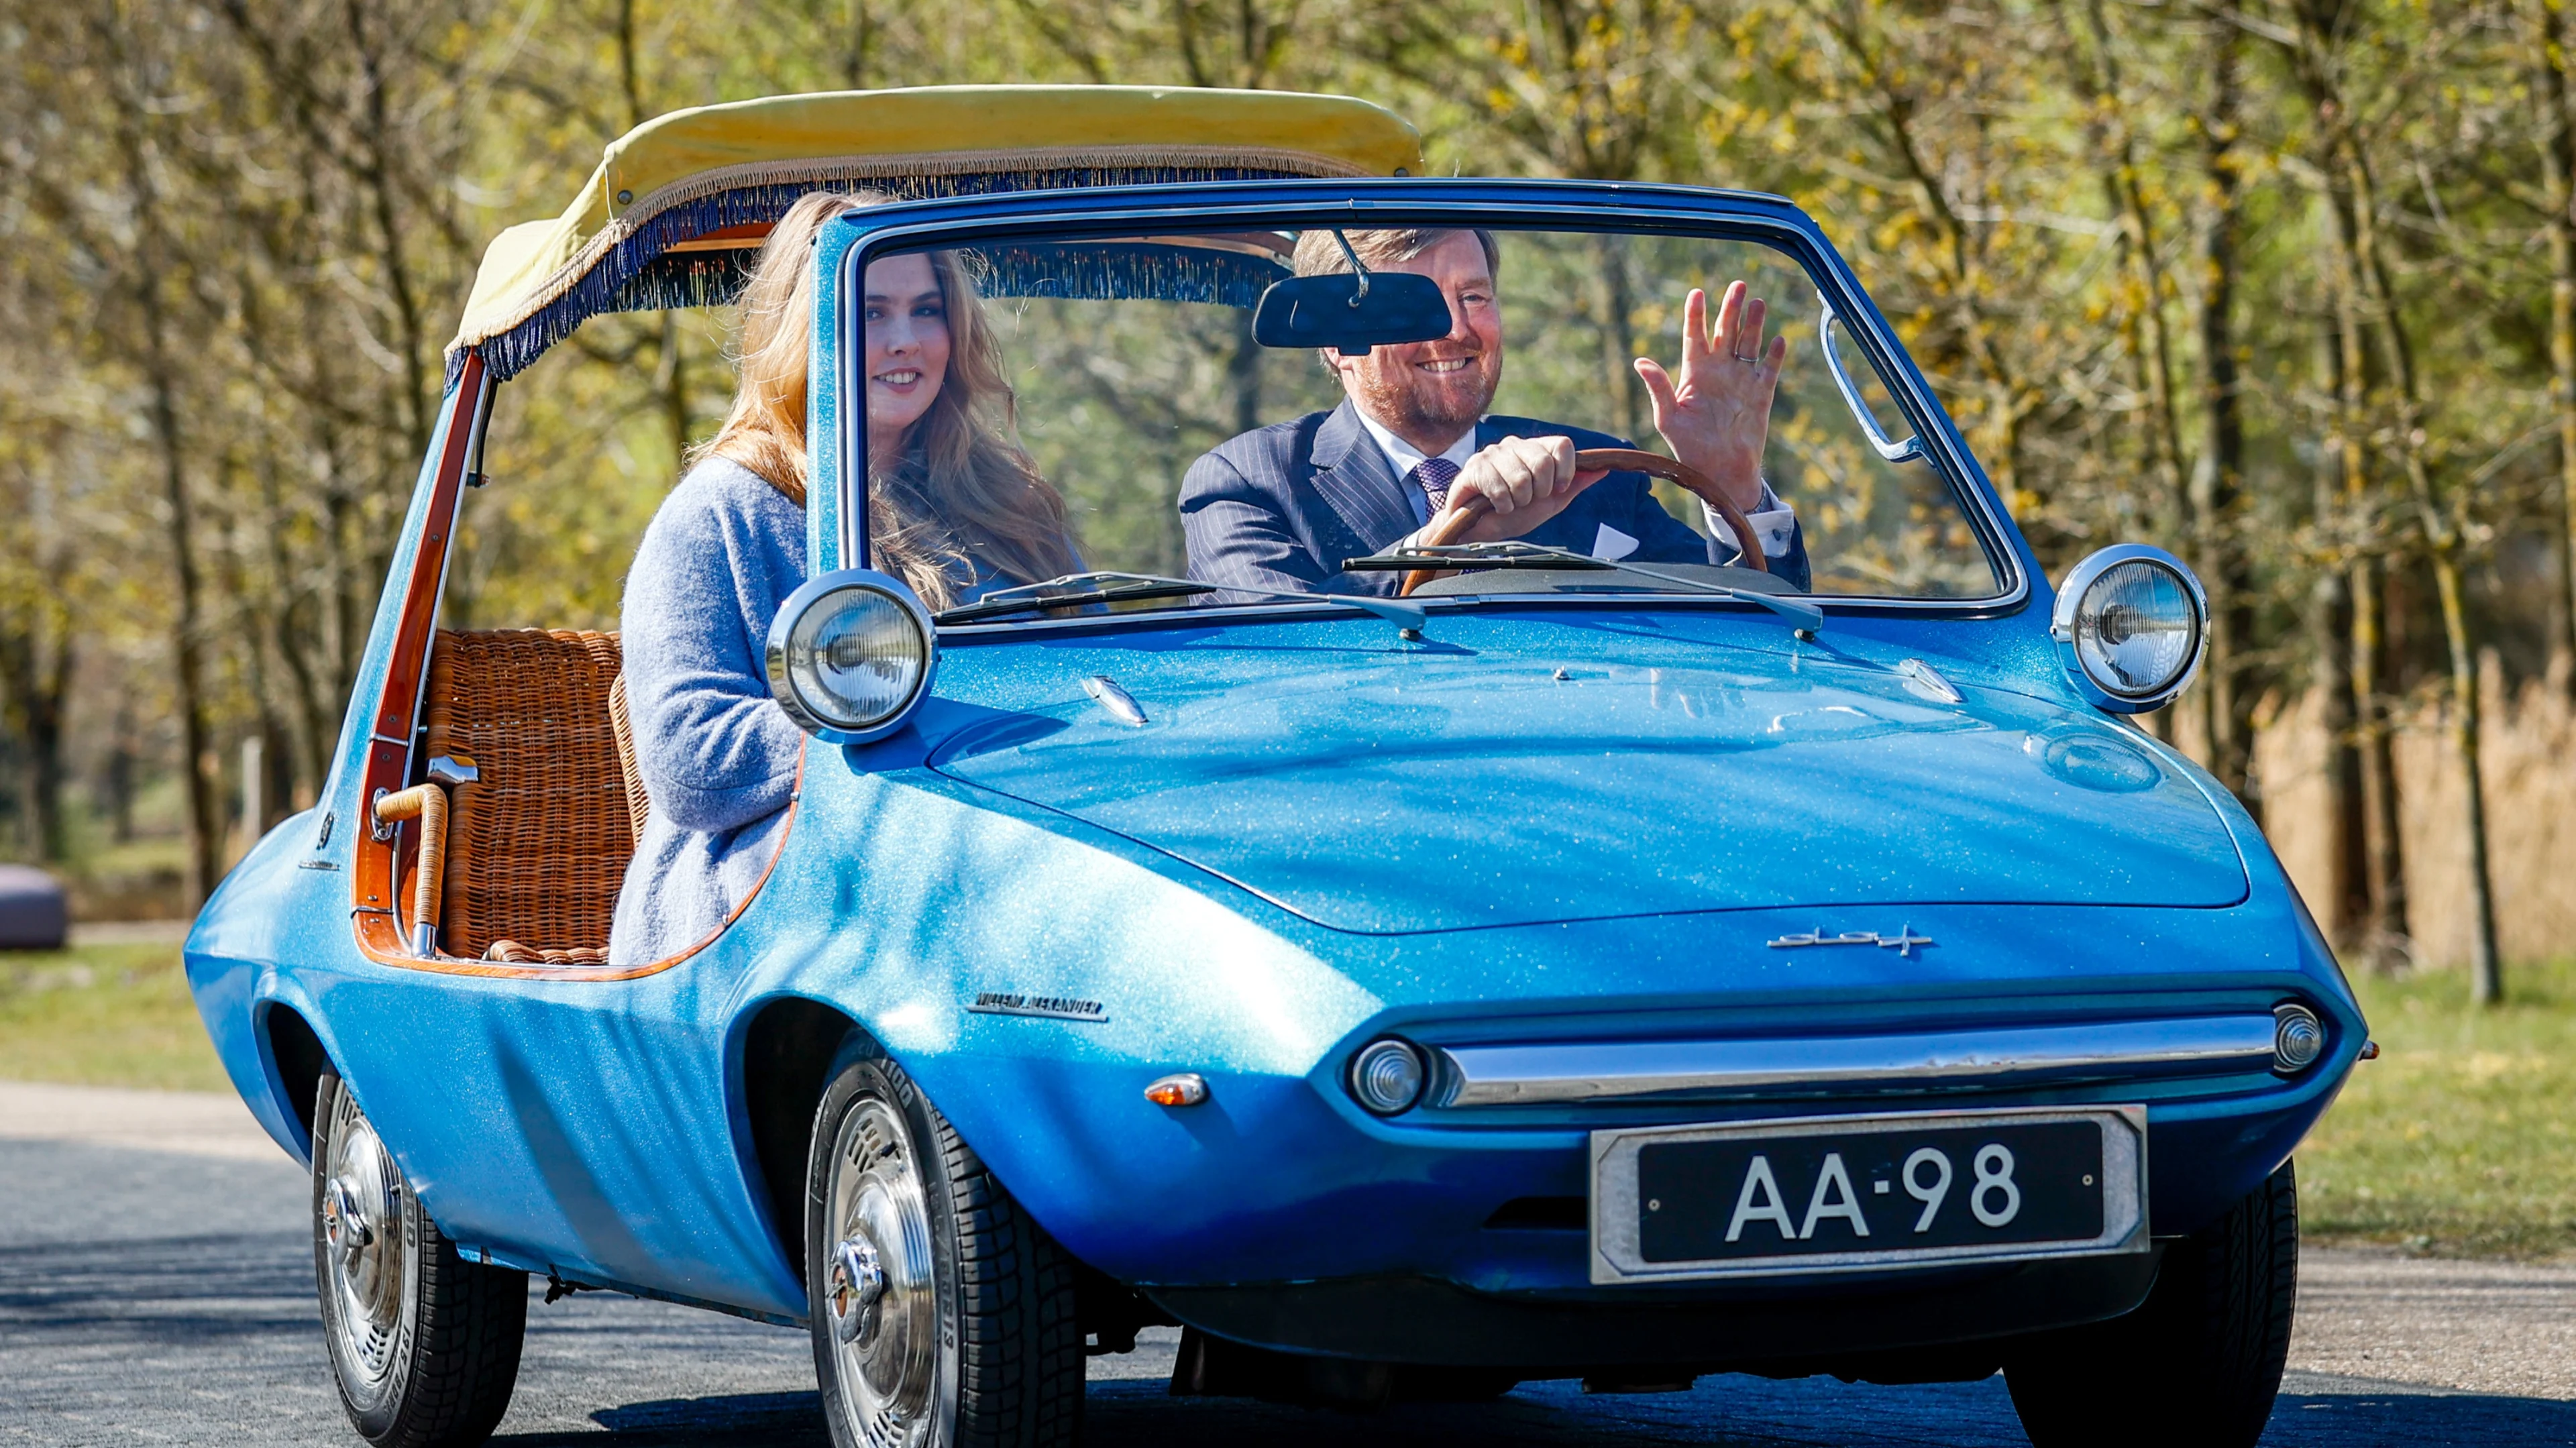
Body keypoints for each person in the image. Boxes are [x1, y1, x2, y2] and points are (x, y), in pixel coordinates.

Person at [608, 191, 1078, 964]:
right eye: (871, 312)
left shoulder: (1011, 503)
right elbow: (690, 758)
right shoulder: (719, 512)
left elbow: (1091, 668)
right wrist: (900, 711)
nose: (905, 340)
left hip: (1011, 848)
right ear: (804, 329)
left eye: (927, 311)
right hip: (759, 912)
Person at [1180, 227, 1810, 596]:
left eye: (1474, 296)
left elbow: (1760, 645)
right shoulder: (1248, 481)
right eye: (1415, 304)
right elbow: (1280, 657)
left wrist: (1734, 492)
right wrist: (1454, 541)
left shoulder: (1596, 471)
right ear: (1335, 342)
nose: (1456, 329)